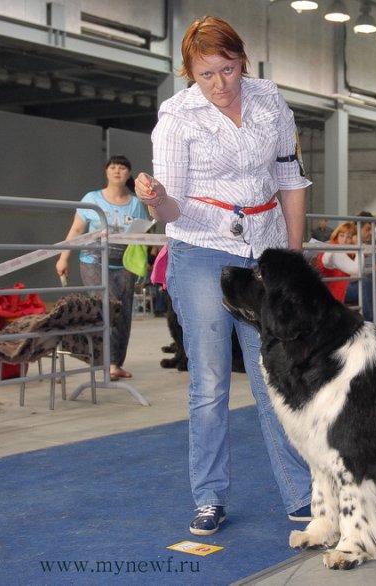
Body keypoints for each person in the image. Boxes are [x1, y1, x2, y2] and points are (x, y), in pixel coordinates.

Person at [133, 16, 312, 536]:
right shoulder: (176, 117)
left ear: (243, 62)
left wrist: (292, 258)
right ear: (189, 72)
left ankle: (302, 496)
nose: (219, 84)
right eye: (206, 74)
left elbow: (289, 178)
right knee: (210, 382)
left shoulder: (270, 101)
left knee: (275, 379)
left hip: (264, 247)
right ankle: (209, 496)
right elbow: (171, 208)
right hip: (202, 249)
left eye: (228, 70)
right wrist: (154, 197)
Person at [55, 155, 148, 381]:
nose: (117, 171)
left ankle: (115, 363)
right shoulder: (92, 198)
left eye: (122, 168)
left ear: (129, 174)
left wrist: (144, 267)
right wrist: (63, 258)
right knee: (105, 306)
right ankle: (99, 358)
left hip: (124, 263)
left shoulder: (136, 203)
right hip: (93, 261)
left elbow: (144, 234)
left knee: (123, 311)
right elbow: (76, 230)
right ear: (107, 172)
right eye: (113, 167)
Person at [317, 222, 359, 302]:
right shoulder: (331, 249)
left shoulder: (351, 253)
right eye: (342, 236)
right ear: (337, 235)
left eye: (349, 237)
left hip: (342, 288)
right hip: (330, 292)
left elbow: (355, 276)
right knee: (365, 284)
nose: (344, 240)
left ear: (352, 240)